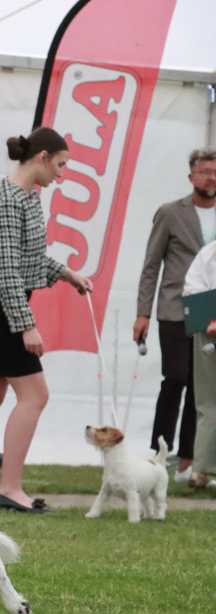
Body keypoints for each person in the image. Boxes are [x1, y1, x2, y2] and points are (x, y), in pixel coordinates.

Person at [0, 127, 93, 513]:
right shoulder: (8, 200)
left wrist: (68, 274)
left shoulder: (27, 197)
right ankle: (10, 490)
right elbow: (5, 271)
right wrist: (26, 325)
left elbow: (28, 257)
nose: (62, 174)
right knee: (36, 395)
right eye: (61, 165)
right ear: (42, 157)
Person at [133, 148, 216, 482]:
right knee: (176, 379)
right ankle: (159, 453)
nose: (211, 177)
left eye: (215, 171)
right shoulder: (170, 213)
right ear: (191, 176)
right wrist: (143, 312)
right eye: (205, 171)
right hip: (174, 307)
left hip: (212, 310)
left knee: (203, 387)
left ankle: (190, 460)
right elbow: (151, 264)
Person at [181, 238, 216, 489]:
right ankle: (201, 469)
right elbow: (191, 290)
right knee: (207, 400)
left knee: (207, 401)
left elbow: (191, 288)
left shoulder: (209, 251)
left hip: (208, 328)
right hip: (209, 331)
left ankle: (201, 470)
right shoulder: (210, 252)